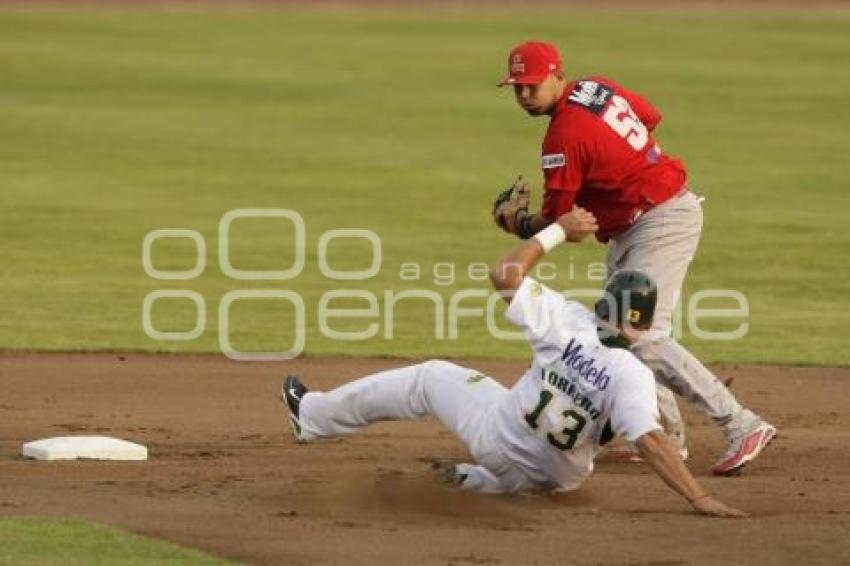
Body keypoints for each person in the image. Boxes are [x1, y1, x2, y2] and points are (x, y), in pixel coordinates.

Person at [280, 209, 748, 517]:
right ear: (642, 325)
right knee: (550, 452)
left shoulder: (568, 320)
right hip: (558, 478)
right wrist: (699, 497)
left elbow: (504, 275)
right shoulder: (635, 378)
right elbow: (649, 440)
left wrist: (559, 229)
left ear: (605, 302)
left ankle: (313, 416)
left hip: (498, 438)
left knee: (429, 379)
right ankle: (477, 483)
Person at [491, 40, 775, 475]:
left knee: (641, 335)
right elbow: (650, 116)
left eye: (532, 86)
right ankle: (668, 436)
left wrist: (514, 223)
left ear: (555, 76)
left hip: (660, 219)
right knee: (614, 335)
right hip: (640, 219)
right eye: (517, 89)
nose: (525, 96)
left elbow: (562, 223)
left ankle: (742, 424)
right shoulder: (594, 87)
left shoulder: (562, 137)